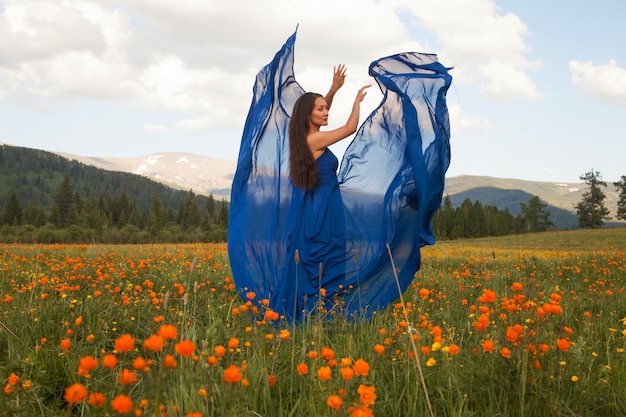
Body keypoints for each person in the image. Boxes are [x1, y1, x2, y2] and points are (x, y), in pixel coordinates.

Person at [228, 30, 452, 323]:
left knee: (326, 259)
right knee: (323, 259)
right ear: (309, 115)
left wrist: (332, 91)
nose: (325, 112)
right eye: (320, 109)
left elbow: (321, 111)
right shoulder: (313, 141)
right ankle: (310, 314)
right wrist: (357, 101)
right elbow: (348, 129)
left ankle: (317, 311)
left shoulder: (309, 137)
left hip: (325, 205)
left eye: (325, 108)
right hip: (320, 210)